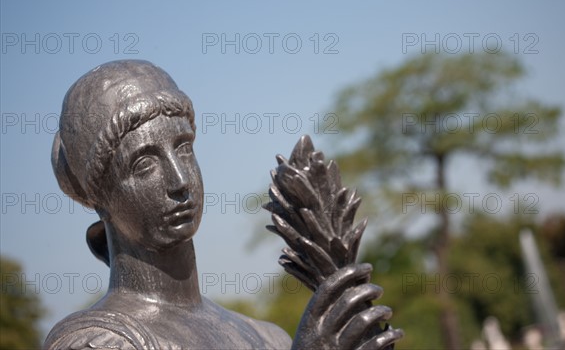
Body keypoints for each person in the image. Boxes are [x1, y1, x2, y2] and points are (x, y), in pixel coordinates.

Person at [44, 60, 402, 349]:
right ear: (102, 199)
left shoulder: (270, 338)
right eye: (144, 165)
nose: (179, 180)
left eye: (183, 148)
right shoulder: (97, 342)